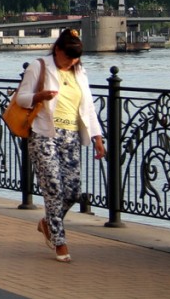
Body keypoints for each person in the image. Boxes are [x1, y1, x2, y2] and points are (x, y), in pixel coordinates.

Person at [16, 28, 105, 263]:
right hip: (44, 134)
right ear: (57, 50)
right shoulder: (39, 66)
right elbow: (21, 98)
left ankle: (47, 223)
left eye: (75, 58)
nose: (72, 62)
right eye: (68, 57)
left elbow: (88, 107)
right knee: (53, 186)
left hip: (71, 137)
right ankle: (59, 241)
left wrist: (97, 137)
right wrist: (39, 96)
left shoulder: (80, 72)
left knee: (74, 191)